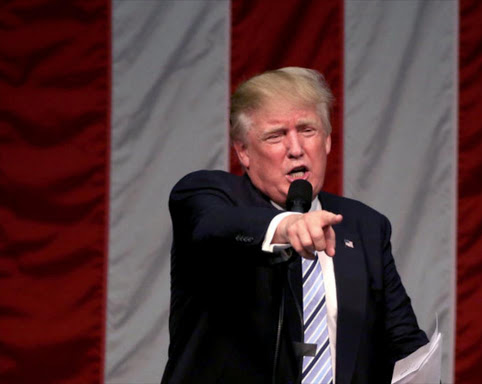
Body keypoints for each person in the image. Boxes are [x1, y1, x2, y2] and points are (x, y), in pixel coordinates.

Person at [160, 67, 428, 384]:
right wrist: (287, 226)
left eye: (307, 130)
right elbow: (212, 225)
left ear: (327, 141)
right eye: (276, 135)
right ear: (243, 151)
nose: (296, 148)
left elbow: (404, 343)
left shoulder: (364, 225)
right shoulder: (206, 195)